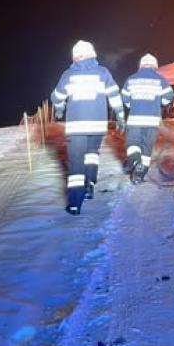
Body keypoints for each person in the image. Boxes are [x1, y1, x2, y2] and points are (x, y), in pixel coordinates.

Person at [51, 40, 125, 215]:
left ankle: (75, 203)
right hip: (97, 125)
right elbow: (114, 95)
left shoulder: (68, 75)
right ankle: (90, 185)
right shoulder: (103, 73)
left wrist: (60, 108)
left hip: (76, 127)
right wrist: (120, 115)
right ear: (93, 54)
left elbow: (56, 97)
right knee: (92, 154)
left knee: (76, 162)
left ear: (75, 57)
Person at [121, 53, 174, 183]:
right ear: (155, 66)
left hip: (135, 120)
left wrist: (131, 105)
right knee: (146, 148)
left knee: (132, 144)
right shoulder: (160, 79)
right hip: (152, 121)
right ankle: (140, 175)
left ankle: (136, 162)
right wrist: (160, 103)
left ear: (141, 65)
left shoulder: (131, 79)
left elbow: (125, 97)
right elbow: (169, 96)